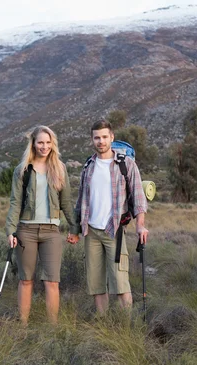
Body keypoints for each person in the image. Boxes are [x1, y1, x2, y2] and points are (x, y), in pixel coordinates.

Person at [71, 118, 148, 313]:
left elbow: (139, 198)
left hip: (114, 231)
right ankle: (103, 324)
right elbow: (80, 201)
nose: (101, 141)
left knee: (120, 283)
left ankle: (126, 327)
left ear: (111, 137)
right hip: (92, 232)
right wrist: (75, 230)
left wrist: (140, 225)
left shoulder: (126, 164)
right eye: (97, 137)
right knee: (96, 284)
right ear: (92, 140)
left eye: (105, 137)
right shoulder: (88, 166)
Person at [5, 125, 79, 325]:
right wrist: (10, 230)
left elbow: (66, 203)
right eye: (40, 142)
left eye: (48, 142)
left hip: (51, 232)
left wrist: (74, 227)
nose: (44, 146)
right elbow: (15, 202)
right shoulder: (22, 170)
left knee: (52, 281)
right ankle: (23, 325)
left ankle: (52, 328)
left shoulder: (59, 169)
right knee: (26, 280)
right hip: (26, 230)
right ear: (33, 144)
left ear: (52, 144)